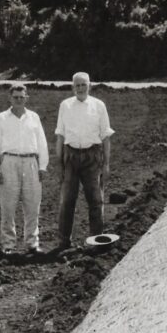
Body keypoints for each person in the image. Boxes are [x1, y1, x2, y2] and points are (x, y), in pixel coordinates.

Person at [54, 72, 114, 252]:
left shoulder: (98, 106)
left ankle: (97, 241)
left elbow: (105, 137)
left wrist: (106, 164)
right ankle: (64, 242)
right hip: (71, 156)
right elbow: (60, 135)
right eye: (77, 85)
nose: (80, 88)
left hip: (92, 157)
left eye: (83, 85)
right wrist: (60, 163)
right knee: (67, 201)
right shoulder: (65, 105)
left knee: (95, 200)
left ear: (90, 86)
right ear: (73, 87)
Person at [0, 84, 49, 255]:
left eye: (22, 97)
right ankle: (8, 244)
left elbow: (42, 142)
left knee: (32, 205)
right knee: (8, 206)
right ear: (10, 98)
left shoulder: (34, 117)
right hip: (9, 162)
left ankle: (32, 243)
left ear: (26, 98)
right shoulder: (1, 118)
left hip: (31, 162)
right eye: (15, 97)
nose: (18, 100)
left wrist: (43, 166)